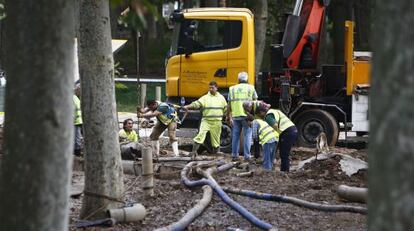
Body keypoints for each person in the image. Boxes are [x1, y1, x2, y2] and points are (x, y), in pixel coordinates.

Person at [183, 81, 227, 156]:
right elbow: (196, 104)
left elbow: (225, 109)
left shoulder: (221, 98)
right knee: (200, 136)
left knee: (216, 140)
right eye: (209, 88)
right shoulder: (205, 97)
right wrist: (187, 106)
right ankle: (193, 152)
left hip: (217, 122)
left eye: (212, 88)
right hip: (206, 121)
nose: (210, 89)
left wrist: (228, 117)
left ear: (216, 88)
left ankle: (216, 154)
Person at [227, 71, 257, 161]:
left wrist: (228, 116)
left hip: (236, 115)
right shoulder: (251, 88)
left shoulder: (232, 89)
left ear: (238, 79)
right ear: (247, 79)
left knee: (235, 136)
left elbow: (229, 104)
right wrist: (254, 116)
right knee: (247, 135)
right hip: (247, 116)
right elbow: (255, 102)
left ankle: (234, 155)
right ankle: (247, 156)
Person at [260, 105, 298, 172]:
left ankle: (284, 171)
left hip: (287, 132)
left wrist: (277, 135)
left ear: (262, 112)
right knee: (284, 153)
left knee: (284, 154)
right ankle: (284, 170)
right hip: (292, 130)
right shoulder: (274, 111)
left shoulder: (268, 116)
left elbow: (274, 125)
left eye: (260, 113)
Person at [73, 83, 83, 156]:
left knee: (78, 139)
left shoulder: (76, 98)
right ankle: (77, 154)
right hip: (74, 123)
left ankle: (77, 153)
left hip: (78, 122)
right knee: (77, 140)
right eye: (80, 90)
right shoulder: (73, 98)